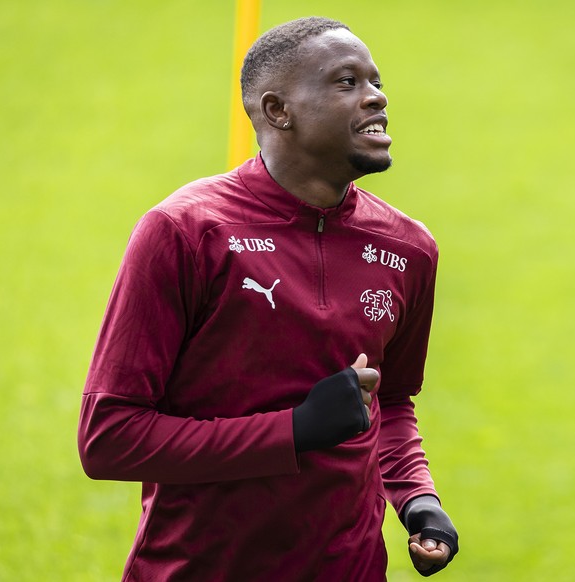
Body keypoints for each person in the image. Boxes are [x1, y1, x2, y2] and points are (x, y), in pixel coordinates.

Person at [78, 16, 458, 581]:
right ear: (279, 110)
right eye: (346, 82)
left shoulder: (409, 248)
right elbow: (109, 438)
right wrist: (294, 430)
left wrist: (417, 500)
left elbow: (390, 403)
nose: (377, 97)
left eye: (376, 81)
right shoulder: (186, 232)